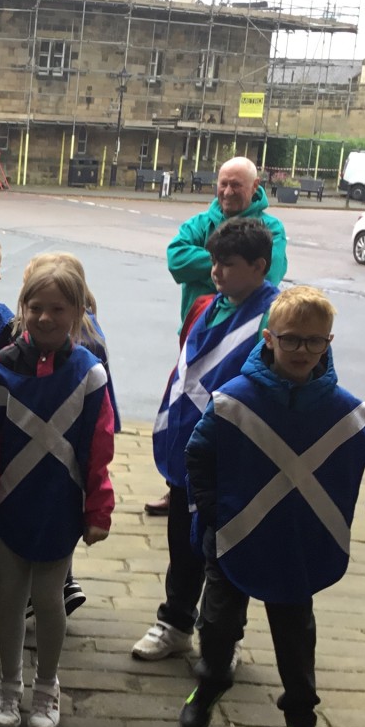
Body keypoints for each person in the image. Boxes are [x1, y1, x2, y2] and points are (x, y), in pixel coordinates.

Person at [180, 286, 365, 727]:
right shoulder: (234, 400)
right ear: (269, 338)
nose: (302, 350)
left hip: (294, 543)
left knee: (295, 636)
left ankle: (302, 717)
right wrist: (215, 514)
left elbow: (343, 477)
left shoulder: (343, 413)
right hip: (233, 536)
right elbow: (199, 454)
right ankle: (209, 686)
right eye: (290, 339)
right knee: (218, 626)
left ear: (328, 342)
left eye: (314, 341)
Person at [0, 257, 114, 727]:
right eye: (35, 307)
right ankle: (9, 683)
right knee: (9, 596)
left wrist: (98, 508)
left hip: (60, 503)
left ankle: (47, 684)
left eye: (58, 308)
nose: (45, 318)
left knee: (50, 598)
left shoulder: (89, 373)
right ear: (22, 308)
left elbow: (99, 447)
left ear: (77, 311)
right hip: (10, 502)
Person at [135, 217, 279, 661]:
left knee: (226, 547)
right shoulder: (204, 307)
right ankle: (175, 621)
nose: (216, 271)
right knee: (182, 539)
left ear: (259, 266)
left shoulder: (274, 315)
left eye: (227, 264)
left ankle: (223, 637)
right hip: (188, 449)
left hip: (235, 454)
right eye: (214, 262)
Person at [166, 156, 289, 325]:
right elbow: (176, 260)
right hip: (197, 327)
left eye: (236, 185)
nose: (228, 192)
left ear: (255, 185)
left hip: (243, 330)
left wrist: (198, 273)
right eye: (223, 184)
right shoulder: (199, 223)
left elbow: (268, 275)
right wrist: (235, 268)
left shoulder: (271, 228)